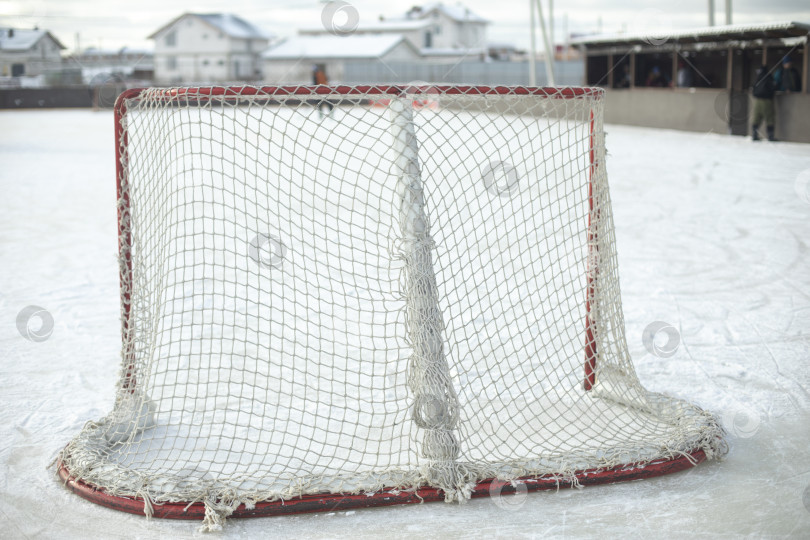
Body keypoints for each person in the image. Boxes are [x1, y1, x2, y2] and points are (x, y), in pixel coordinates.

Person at [750, 64, 776, 141]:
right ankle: (770, 136)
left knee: (756, 118)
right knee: (770, 118)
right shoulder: (768, 77)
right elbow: (773, 88)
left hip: (758, 101)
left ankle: (754, 135)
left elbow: (753, 89)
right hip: (767, 101)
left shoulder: (758, 78)